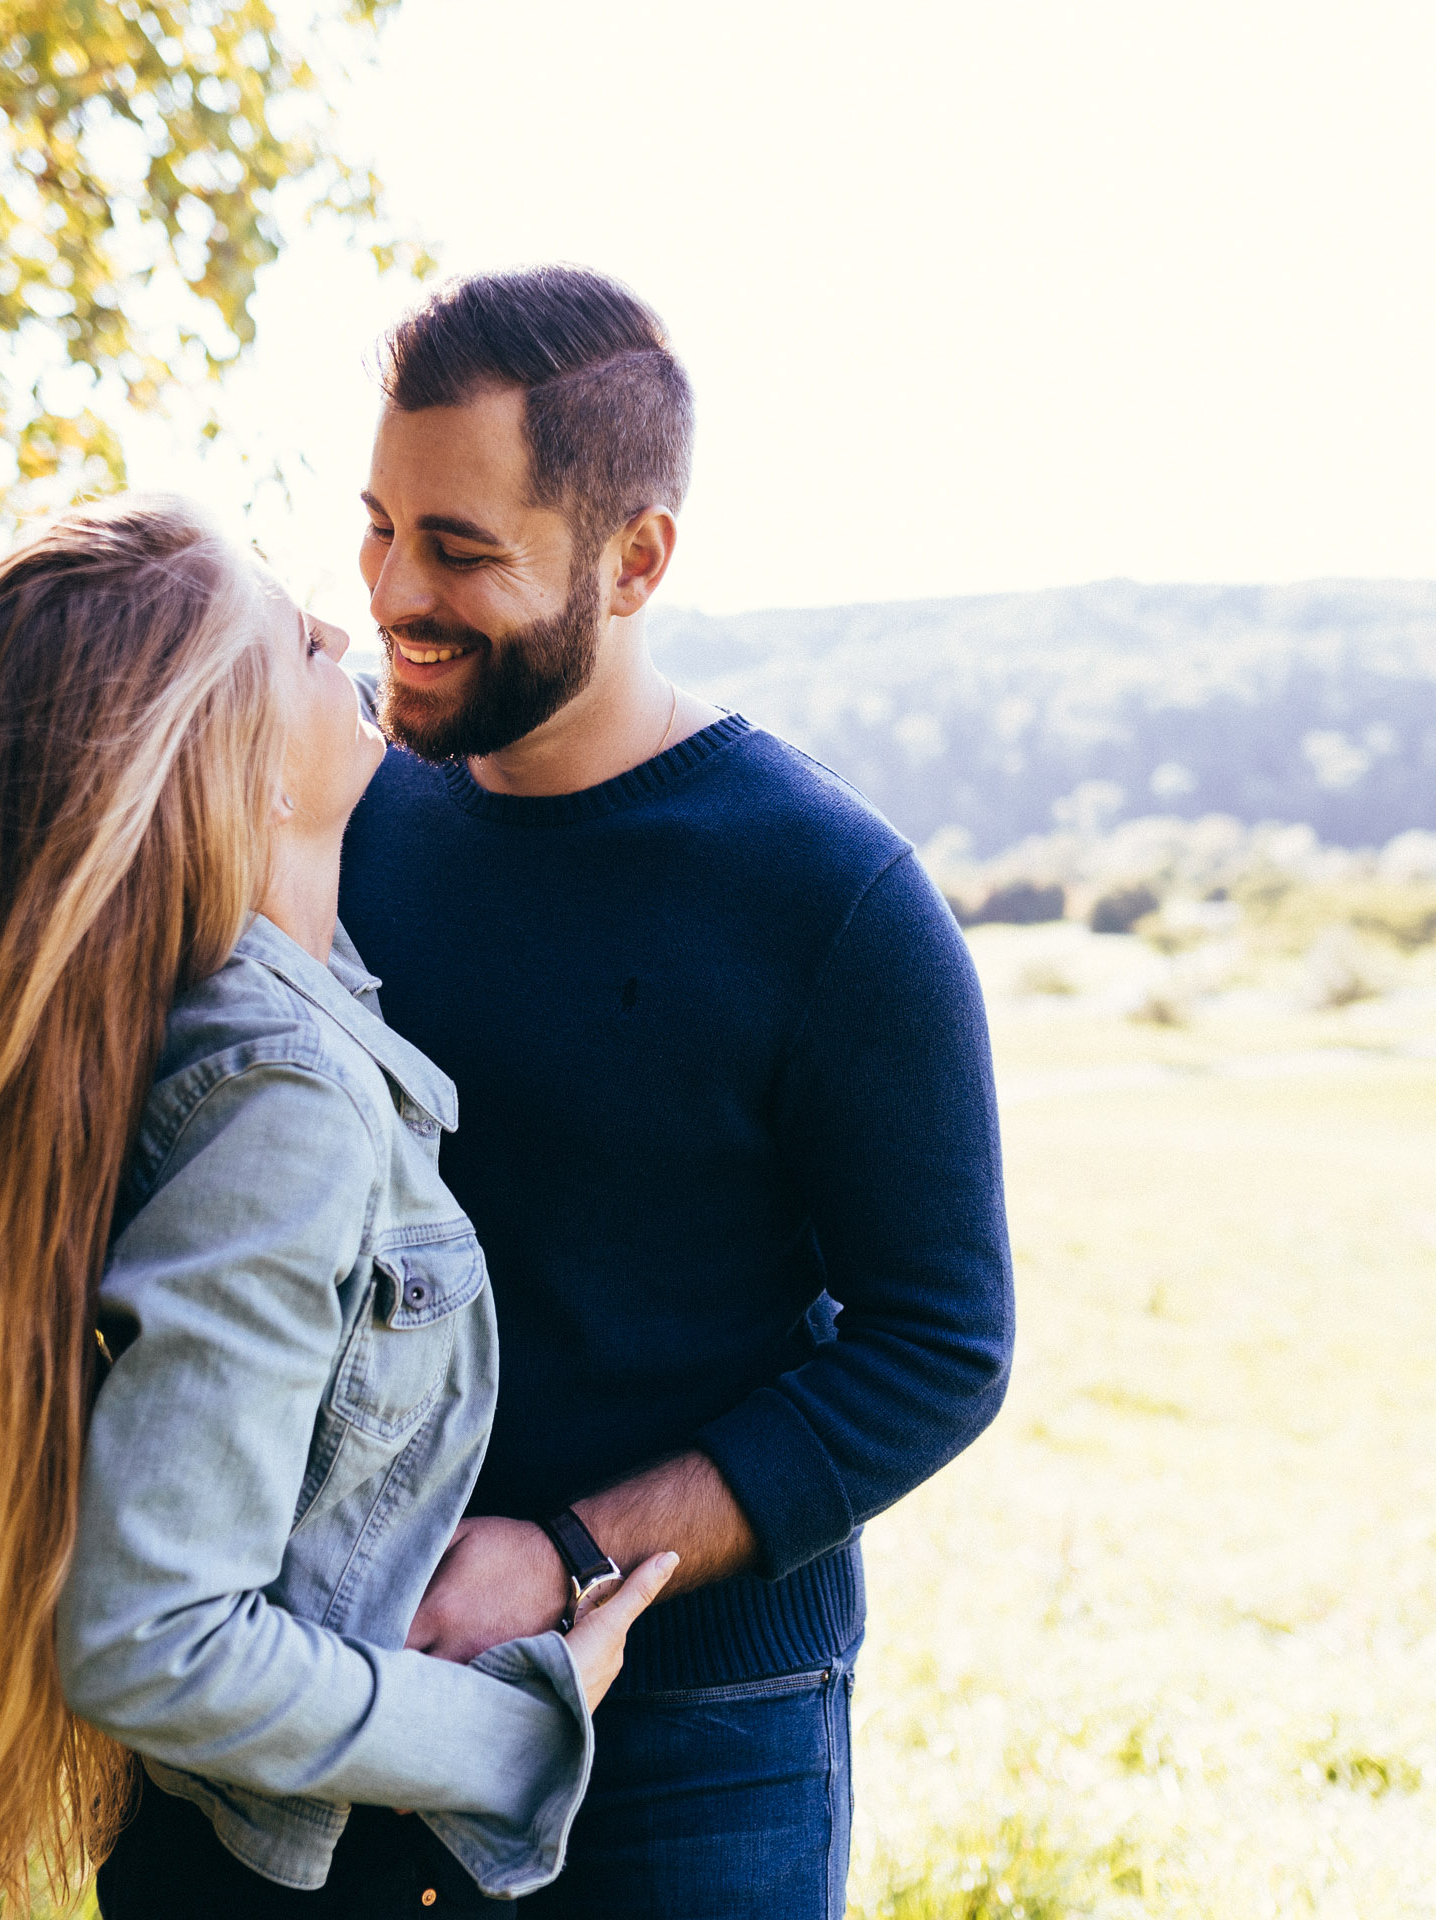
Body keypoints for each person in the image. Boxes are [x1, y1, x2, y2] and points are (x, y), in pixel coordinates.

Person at [0, 495, 675, 1920]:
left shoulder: (240, 1027)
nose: (347, 625)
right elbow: (152, 1641)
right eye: (298, 642)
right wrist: (519, 1726)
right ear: (242, 774)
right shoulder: (284, 1105)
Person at [340, 267, 1017, 1914]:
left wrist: (568, 1552)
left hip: (695, 1735)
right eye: (376, 526)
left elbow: (942, 1344)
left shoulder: (829, 898)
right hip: (337, 1696)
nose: (390, 596)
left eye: (462, 549)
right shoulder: (323, 803)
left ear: (636, 558)